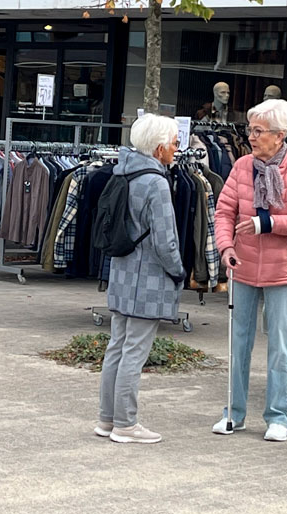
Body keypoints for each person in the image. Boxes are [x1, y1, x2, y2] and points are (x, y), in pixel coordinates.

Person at [212, 99, 287, 441]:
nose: (251, 137)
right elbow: (224, 211)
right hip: (242, 266)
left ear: (280, 135)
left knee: (280, 348)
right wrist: (225, 247)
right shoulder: (242, 166)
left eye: (258, 131)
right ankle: (234, 413)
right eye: (250, 130)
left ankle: (278, 417)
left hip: (282, 270)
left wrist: (267, 223)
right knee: (237, 344)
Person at [96, 114, 186, 444]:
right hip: (147, 278)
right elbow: (165, 240)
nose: (177, 149)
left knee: (117, 348)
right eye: (175, 143)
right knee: (134, 352)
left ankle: (107, 419)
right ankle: (126, 423)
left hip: (122, 271)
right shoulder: (157, 182)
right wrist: (178, 270)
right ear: (160, 147)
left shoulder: (123, 170)